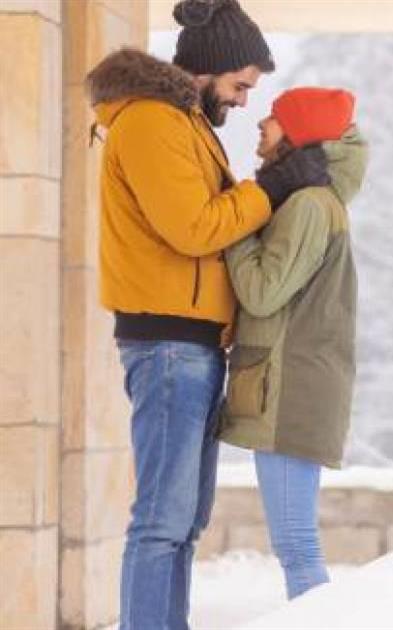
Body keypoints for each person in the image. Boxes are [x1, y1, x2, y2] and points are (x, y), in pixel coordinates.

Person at [84, 0, 332, 626]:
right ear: (211, 68)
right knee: (162, 522)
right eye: (242, 85)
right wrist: (269, 189)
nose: (247, 101)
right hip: (167, 344)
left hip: (192, 342)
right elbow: (195, 229)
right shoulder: (152, 124)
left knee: (184, 523)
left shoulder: (187, 125)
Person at [219, 87, 366, 599]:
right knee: (296, 543)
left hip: (290, 390)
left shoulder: (307, 206)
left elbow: (262, 293)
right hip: (292, 384)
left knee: (297, 546)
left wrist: (233, 229)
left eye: (276, 118)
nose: (262, 123)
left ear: (299, 134)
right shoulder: (310, 202)